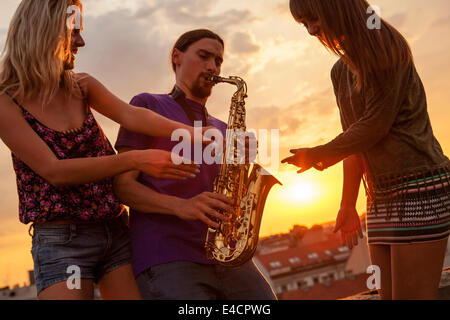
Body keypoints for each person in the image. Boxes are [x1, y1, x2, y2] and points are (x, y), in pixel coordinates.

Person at [0, 0, 201, 300]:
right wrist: (137, 159)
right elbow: (55, 171)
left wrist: (195, 134)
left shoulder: (81, 86)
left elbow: (133, 116)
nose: (82, 41)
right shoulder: (6, 103)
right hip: (64, 246)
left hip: (115, 231)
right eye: (74, 32)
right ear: (45, 33)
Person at [282, 0, 450, 300]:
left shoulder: (386, 44)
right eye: (303, 24)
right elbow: (355, 141)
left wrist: (319, 153)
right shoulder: (339, 71)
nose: (310, 30)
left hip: (420, 190)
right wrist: (348, 205)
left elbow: (375, 125)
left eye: (312, 18)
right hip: (379, 199)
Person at [113, 29, 276, 300]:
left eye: (219, 60)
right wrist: (183, 206)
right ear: (176, 56)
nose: (212, 66)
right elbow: (123, 187)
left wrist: (244, 160)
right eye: (203, 56)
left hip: (226, 256)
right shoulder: (147, 106)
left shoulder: (224, 128)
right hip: (168, 257)